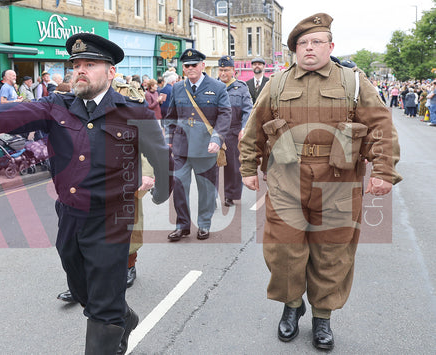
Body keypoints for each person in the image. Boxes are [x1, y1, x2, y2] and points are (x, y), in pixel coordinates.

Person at [0, 32, 173, 354]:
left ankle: (112, 319)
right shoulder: (57, 105)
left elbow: (160, 156)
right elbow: (20, 112)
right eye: (76, 65)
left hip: (112, 218)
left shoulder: (134, 112)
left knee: (103, 306)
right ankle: (123, 316)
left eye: (90, 64)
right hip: (70, 216)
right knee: (80, 286)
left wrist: (162, 191)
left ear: (111, 72)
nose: (80, 70)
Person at [239, 13, 402, 351]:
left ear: (330, 46)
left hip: (338, 180)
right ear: (294, 50)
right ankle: (292, 306)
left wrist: (384, 171)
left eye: (316, 42)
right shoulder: (277, 83)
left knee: (332, 252)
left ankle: (322, 317)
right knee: (282, 250)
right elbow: (254, 129)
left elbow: (381, 127)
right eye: (302, 43)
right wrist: (247, 168)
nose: (309, 48)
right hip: (286, 178)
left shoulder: (353, 82)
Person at [165, 48, 231, 241]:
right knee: (179, 185)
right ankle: (182, 225)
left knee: (206, 188)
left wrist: (217, 139)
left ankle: (203, 224)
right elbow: (171, 117)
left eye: (194, 64)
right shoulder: (178, 88)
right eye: (187, 65)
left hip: (206, 148)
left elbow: (225, 115)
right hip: (182, 148)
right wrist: (169, 141)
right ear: (183, 68)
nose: (191, 68)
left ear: (203, 65)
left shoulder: (217, 87)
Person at [217, 56, 252, 207]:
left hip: (233, 131)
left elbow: (248, 110)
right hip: (215, 131)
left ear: (233, 71)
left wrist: (244, 128)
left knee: (232, 166)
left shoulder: (241, 88)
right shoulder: (212, 87)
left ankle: (230, 195)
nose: (223, 73)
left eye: (226, 70)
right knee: (211, 167)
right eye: (221, 70)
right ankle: (210, 197)